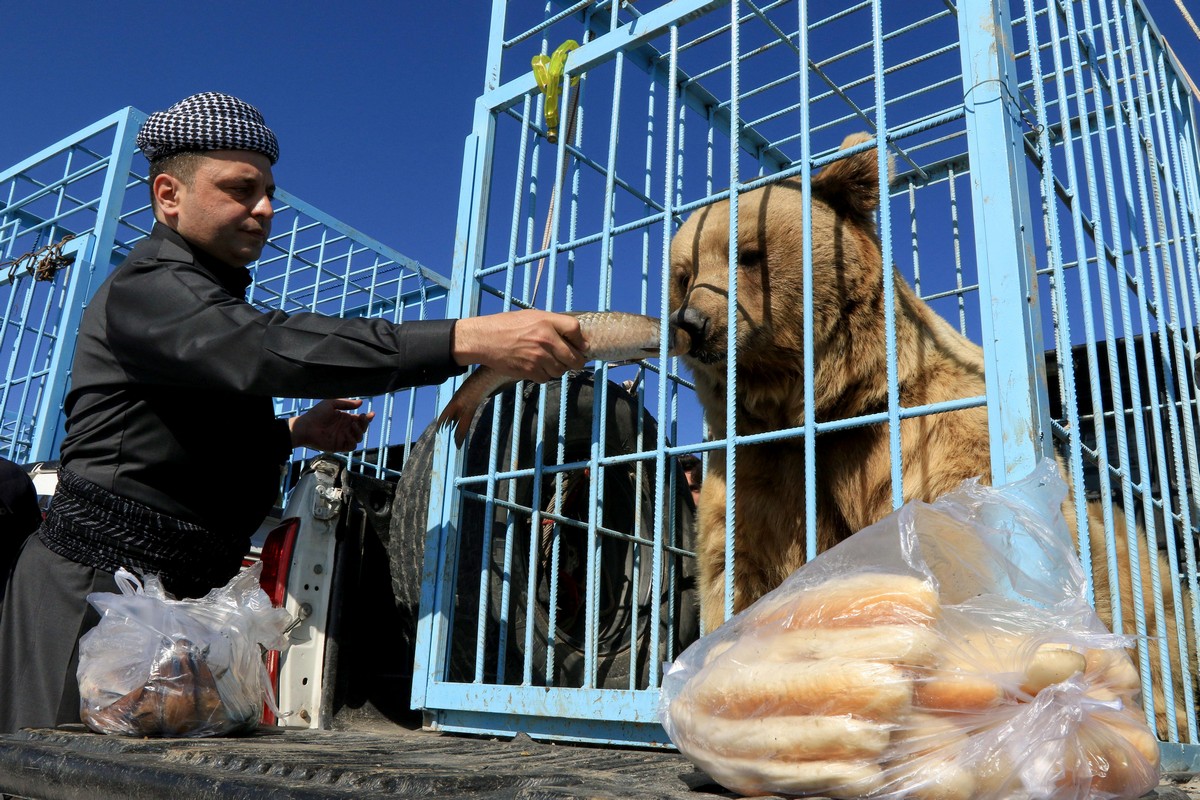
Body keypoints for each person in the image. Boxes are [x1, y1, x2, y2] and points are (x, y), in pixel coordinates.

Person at [0, 92, 586, 733]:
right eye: (240, 189)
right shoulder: (151, 287)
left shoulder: (201, 301)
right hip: (95, 601)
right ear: (169, 195)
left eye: (268, 191)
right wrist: (463, 340)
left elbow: (167, 430)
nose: (265, 210)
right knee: (58, 774)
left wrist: (289, 434)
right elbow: (265, 349)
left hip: (180, 607)